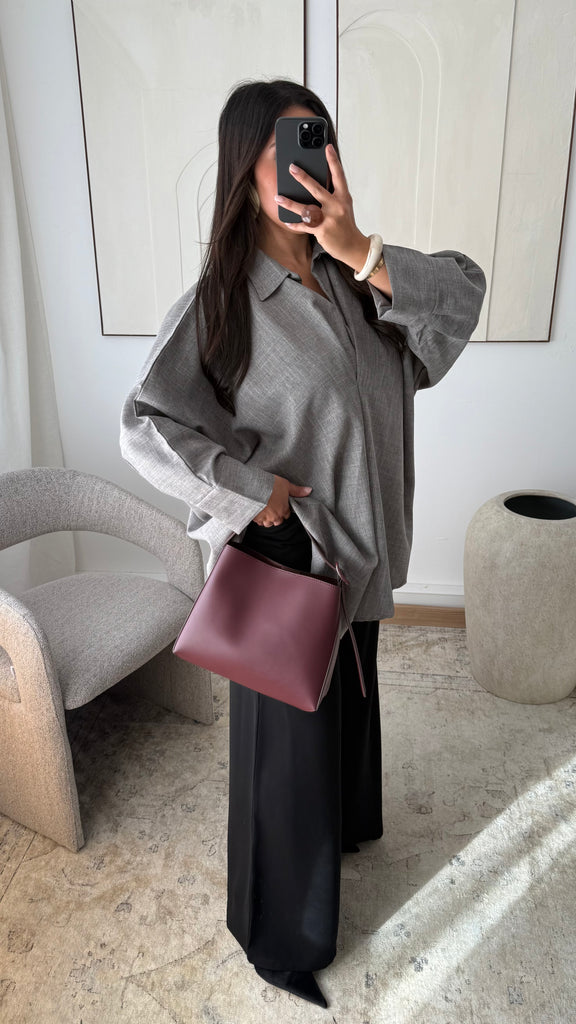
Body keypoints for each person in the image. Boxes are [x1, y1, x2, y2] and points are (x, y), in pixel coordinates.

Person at [119, 79, 487, 1009]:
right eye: (279, 151)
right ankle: (276, 938)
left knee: (349, 705)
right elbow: (147, 425)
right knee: (284, 758)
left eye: (314, 144)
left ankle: (346, 828)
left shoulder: (359, 283)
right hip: (289, 561)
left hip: (361, 550)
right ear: (245, 170)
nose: (301, 168)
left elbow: (463, 298)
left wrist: (361, 249)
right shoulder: (225, 301)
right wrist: (257, 492)